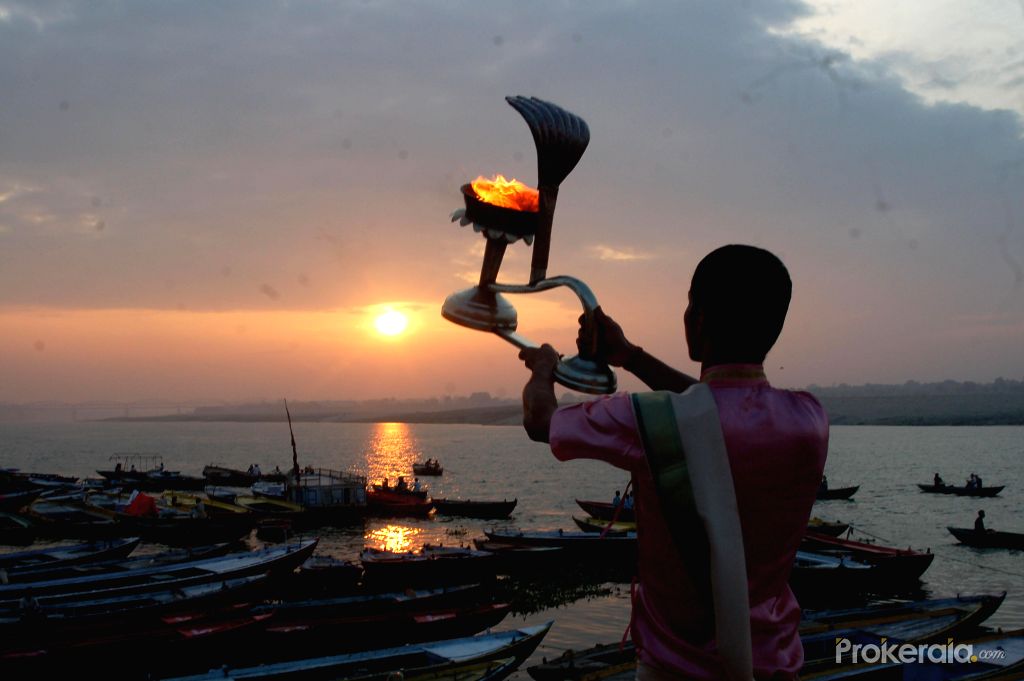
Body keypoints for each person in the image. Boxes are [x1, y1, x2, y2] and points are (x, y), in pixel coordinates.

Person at [519, 245, 828, 681]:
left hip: (674, 671)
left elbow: (540, 421)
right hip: (774, 665)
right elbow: (716, 406)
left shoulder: (646, 421)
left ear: (696, 321)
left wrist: (543, 368)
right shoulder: (809, 421)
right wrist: (629, 355)